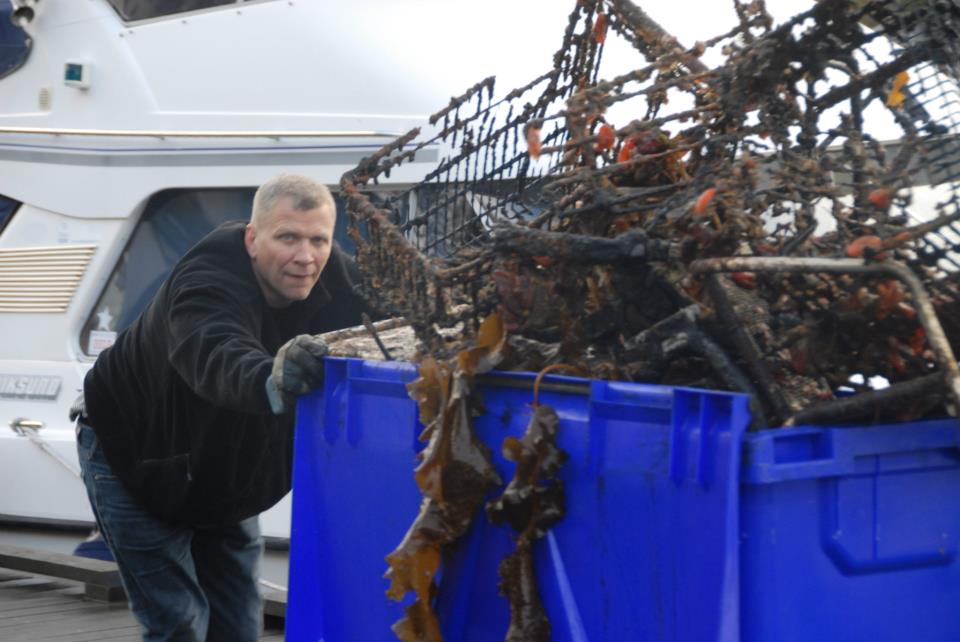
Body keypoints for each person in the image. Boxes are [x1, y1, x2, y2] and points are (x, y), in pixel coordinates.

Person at [74, 174, 369, 641]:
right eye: (287, 237)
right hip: (134, 451)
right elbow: (216, 350)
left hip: (224, 467)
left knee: (238, 625)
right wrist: (272, 376)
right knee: (178, 623)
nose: (305, 257)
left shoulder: (335, 277)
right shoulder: (205, 281)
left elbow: (396, 318)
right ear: (252, 238)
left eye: (319, 240)